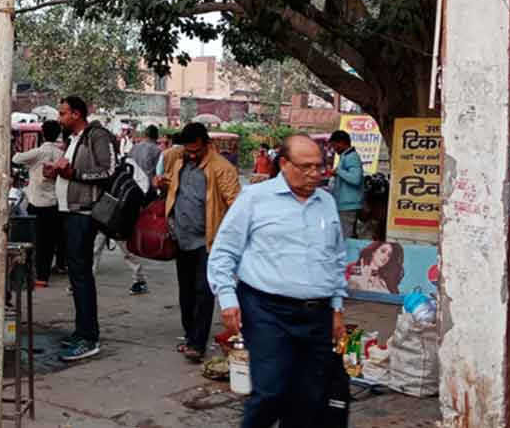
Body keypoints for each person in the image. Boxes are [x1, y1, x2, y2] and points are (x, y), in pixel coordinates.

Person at [208, 134, 347, 428]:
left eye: (319, 167)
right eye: (306, 167)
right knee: (270, 390)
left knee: (309, 397)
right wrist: (228, 300)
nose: (315, 174)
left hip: (317, 312)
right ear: (284, 163)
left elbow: (336, 258)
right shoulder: (255, 198)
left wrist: (337, 307)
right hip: (267, 310)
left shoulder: (326, 203)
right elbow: (223, 252)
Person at [155, 122, 241, 363]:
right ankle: (189, 334)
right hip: (181, 237)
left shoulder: (222, 168)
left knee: (204, 291)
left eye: (196, 151)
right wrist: (160, 184)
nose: (191, 155)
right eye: (188, 150)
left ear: (207, 145)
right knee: (186, 291)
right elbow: (170, 185)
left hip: (209, 241)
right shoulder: (178, 159)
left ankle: (197, 343)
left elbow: (237, 204)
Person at [46, 95, 116, 362]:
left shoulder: (97, 136)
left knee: (82, 275)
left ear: (76, 114)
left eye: (63, 113)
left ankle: (89, 337)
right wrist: (55, 171)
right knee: (76, 276)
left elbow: (108, 170)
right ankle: (82, 330)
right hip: (68, 211)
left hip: (84, 213)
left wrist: (74, 175)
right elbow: (68, 169)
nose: (59, 118)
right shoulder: (72, 140)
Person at [11, 120, 65, 287]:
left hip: (36, 204)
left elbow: (16, 158)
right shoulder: (61, 154)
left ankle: (34, 274)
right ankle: (43, 276)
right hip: (55, 203)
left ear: (43, 133)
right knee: (49, 242)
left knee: (36, 241)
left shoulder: (37, 153)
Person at [326, 130, 363, 238]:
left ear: (341, 143)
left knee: (346, 238)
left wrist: (337, 171)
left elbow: (356, 179)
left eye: (334, 145)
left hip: (348, 205)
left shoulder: (352, 157)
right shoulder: (345, 156)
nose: (334, 149)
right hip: (344, 204)